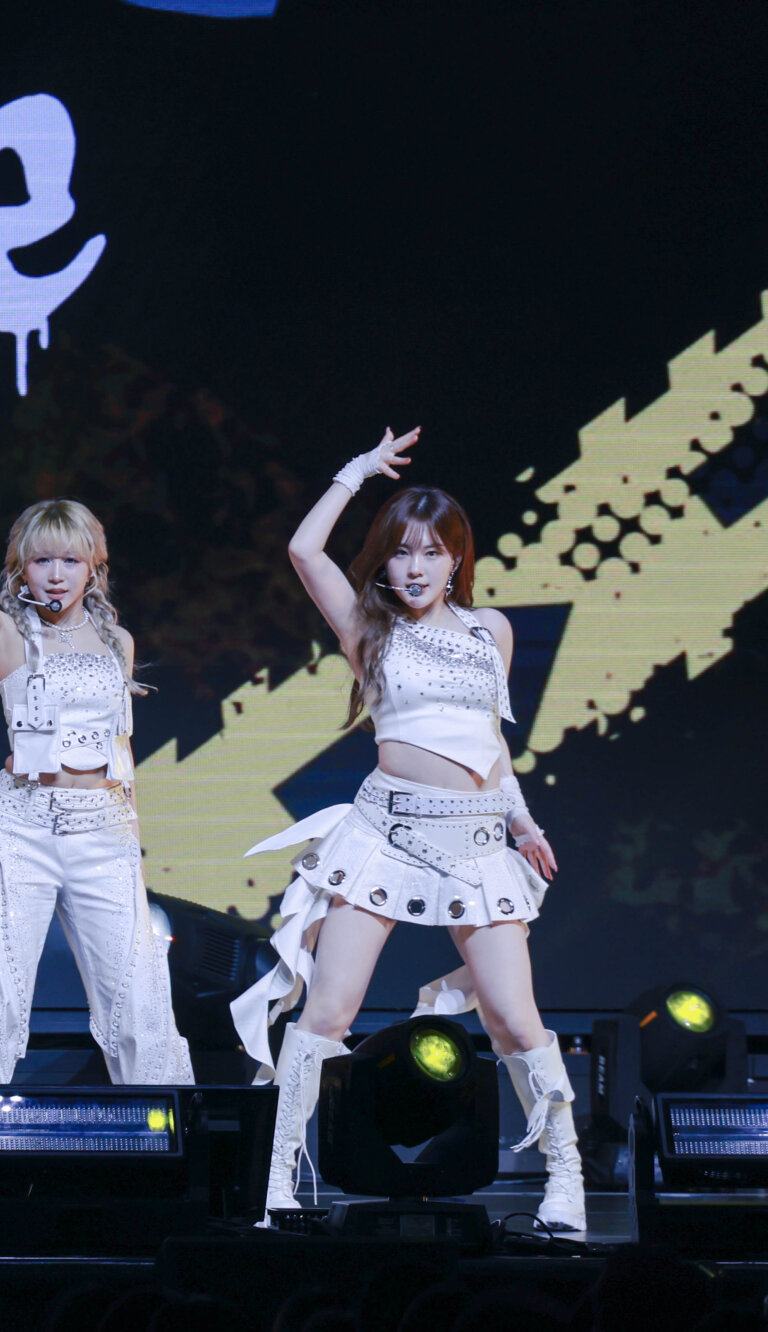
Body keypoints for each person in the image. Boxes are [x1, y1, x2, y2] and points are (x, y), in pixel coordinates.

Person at [232, 428, 578, 1229]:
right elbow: (304, 550)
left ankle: (566, 1183)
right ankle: (277, 1180)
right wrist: (354, 473)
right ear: (384, 562)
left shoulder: (491, 630)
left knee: (513, 1017)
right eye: (400, 552)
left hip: (477, 843)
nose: (415, 567)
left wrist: (522, 820)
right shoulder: (369, 627)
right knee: (329, 1012)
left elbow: (490, 743)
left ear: (457, 558)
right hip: (385, 836)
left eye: (432, 552)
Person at [0, 492, 192, 1086]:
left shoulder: (117, 641)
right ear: (21, 570)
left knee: (139, 995)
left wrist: (134, 846)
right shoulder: (7, 634)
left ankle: (165, 1136)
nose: (56, 575)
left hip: (105, 829)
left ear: (93, 568)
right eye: (41, 560)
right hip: (23, 825)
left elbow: (121, 752)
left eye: (71, 561)